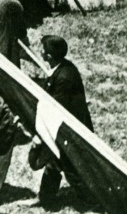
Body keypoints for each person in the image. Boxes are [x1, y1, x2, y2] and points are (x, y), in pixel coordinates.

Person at [33, 35, 94, 209]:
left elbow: (56, 106)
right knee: (53, 163)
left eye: (42, 49)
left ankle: (92, 204)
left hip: (69, 130)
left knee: (71, 167)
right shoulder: (60, 68)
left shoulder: (65, 77)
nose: (40, 51)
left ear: (49, 56)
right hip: (61, 126)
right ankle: (45, 199)